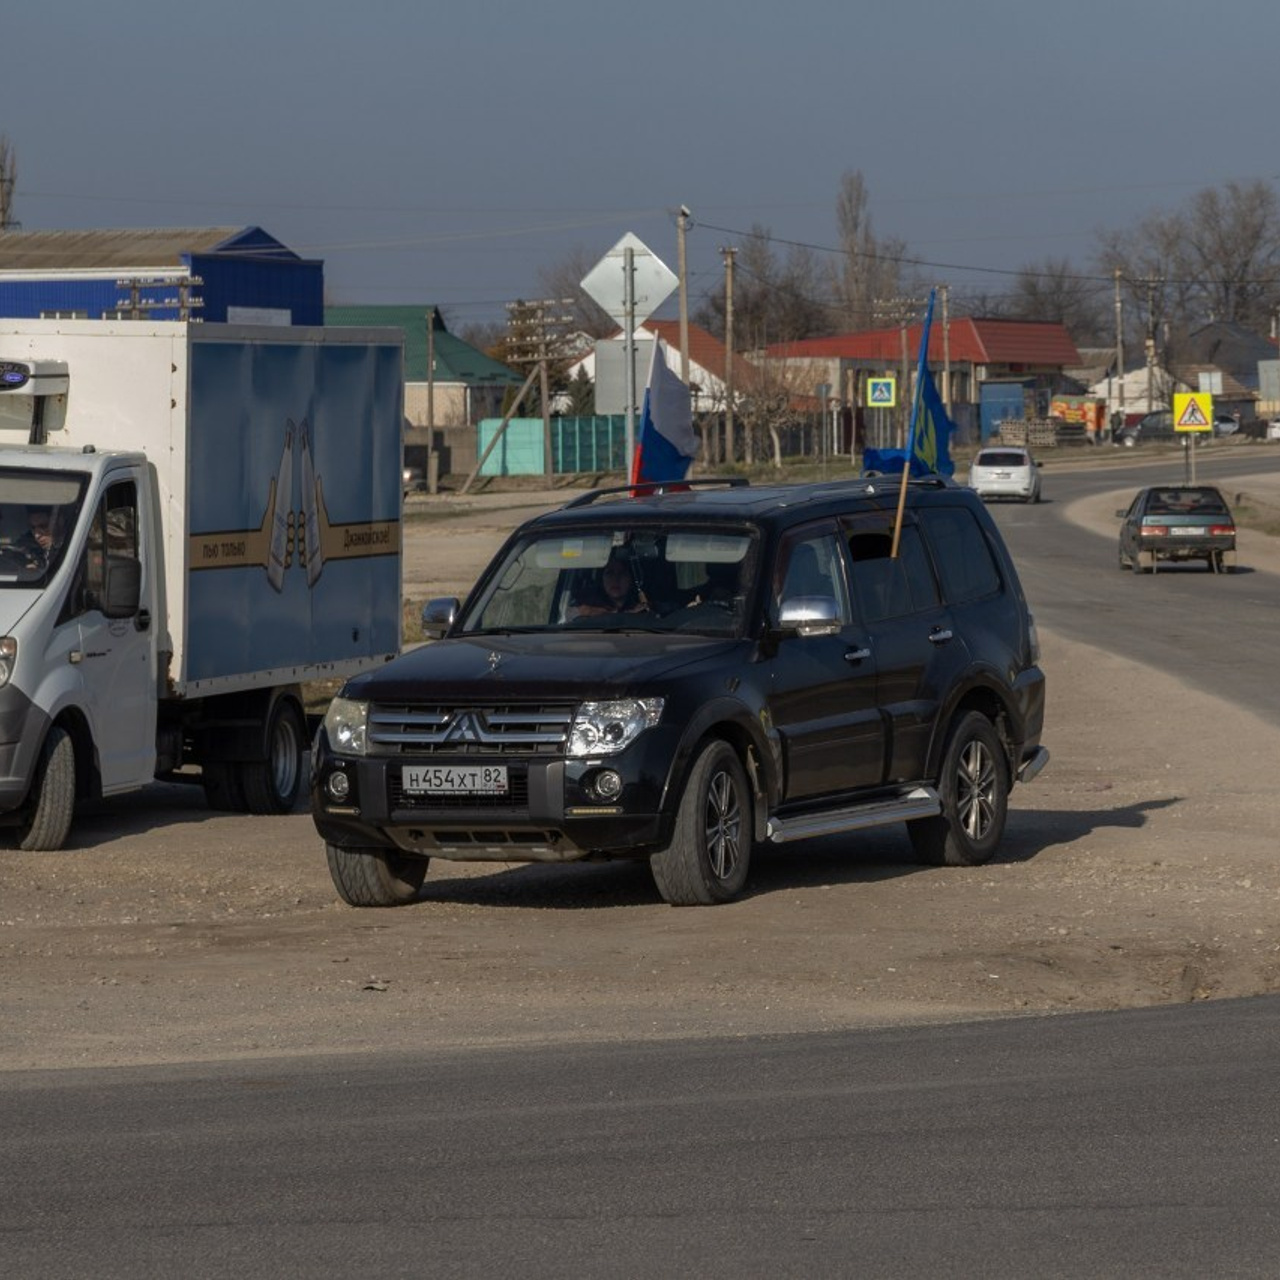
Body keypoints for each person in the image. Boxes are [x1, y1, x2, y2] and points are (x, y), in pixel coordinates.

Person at [570, 554, 647, 617]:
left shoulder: (643, 604)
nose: (615, 579)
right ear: (601, 578)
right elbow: (565, 616)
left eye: (622, 573)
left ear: (631, 579)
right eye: (609, 573)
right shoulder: (587, 602)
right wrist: (585, 611)